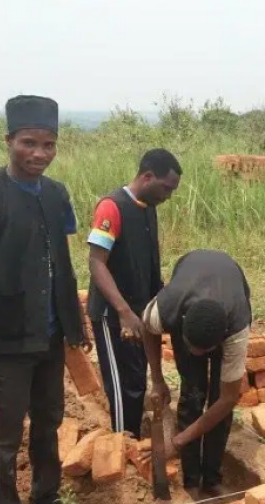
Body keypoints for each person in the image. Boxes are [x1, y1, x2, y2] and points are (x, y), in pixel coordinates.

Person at [0, 95, 89, 504]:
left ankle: (47, 497)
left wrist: (74, 321)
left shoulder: (57, 194)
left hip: (49, 329)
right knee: (8, 427)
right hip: (6, 332)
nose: (39, 153)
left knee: (50, 416)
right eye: (29, 143)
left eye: (48, 144)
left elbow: (60, 260)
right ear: (9, 141)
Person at [86, 148, 182, 439]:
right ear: (147, 176)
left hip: (139, 311)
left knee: (137, 379)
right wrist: (124, 312)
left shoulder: (148, 209)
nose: (168, 195)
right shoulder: (111, 207)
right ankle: (121, 445)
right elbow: (96, 262)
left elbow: (149, 263)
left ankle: (133, 440)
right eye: (166, 188)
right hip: (113, 314)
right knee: (122, 384)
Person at [141, 249, 251, 496]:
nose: (194, 352)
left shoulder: (236, 329)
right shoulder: (168, 306)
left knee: (217, 402)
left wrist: (177, 441)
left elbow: (228, 399)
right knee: (192, 392)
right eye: (190, 346)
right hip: (191, 278)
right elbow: (147, 329)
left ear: (219, 343)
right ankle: (191, 480)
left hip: (229, 286)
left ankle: (211, 479)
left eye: (202, 350)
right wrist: (157, 380)